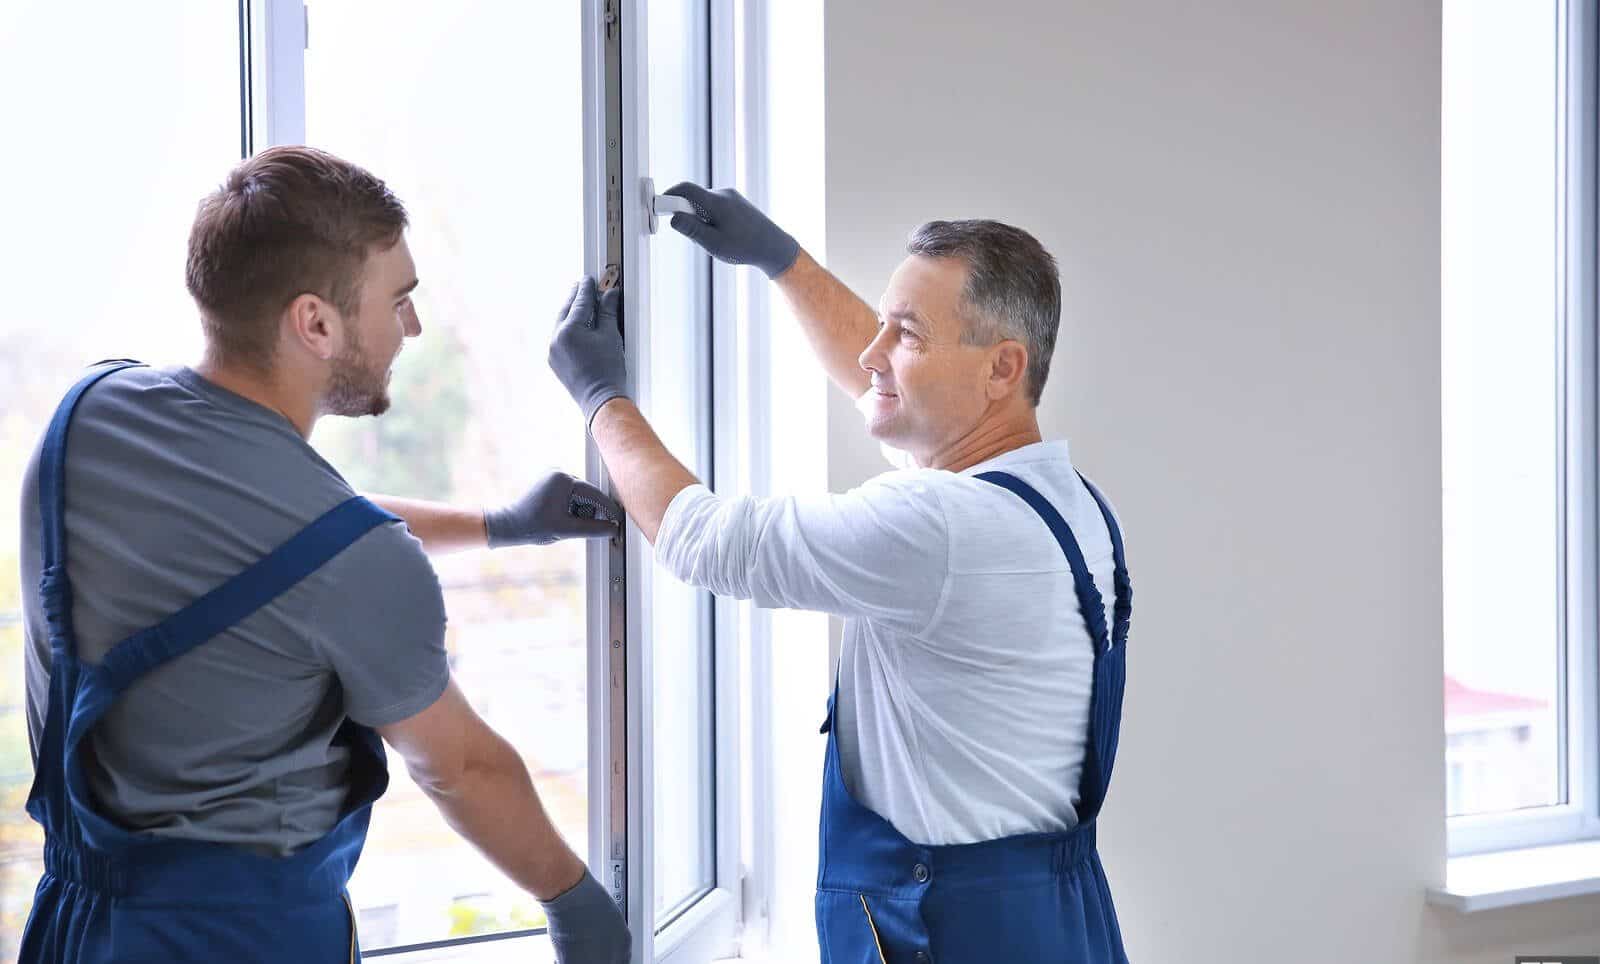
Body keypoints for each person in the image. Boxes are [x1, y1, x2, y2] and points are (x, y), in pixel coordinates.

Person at [17, 146, 630, 964]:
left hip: (72, 930)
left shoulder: (87, 418)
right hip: (238, 942)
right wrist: (573, 900)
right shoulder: (357, 563)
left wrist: (495, 525)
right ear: (315, 322)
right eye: (399, 301)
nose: (410, 328)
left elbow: (278, 540)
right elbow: (463, 767)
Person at [548, 184, 1133, 962]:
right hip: (1052, 924)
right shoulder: (1058, 503)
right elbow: (885, 387)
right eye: (883, 323)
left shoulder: (943, 528)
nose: (873, 353)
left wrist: (600, 398)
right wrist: (780, 260)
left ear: (1002, 369)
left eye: (908, 334)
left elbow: (708, 541)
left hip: (955, 934)